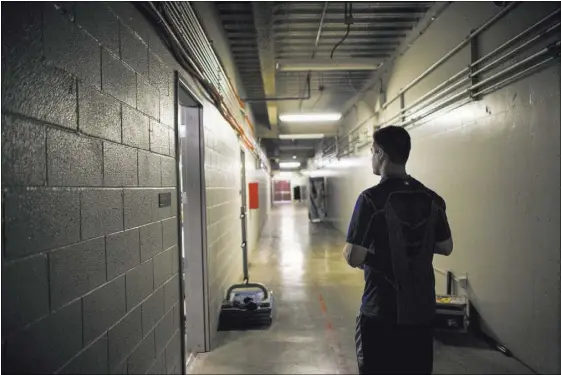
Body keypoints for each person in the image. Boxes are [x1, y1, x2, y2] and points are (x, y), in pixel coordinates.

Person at [342, 126, 453, 374]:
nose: (372, 157)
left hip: (380, 310)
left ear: (381, 154)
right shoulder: (431, 198)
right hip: (421, 311)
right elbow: (446, 247)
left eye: (372, 151)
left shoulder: (370, 199)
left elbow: (354, 256)